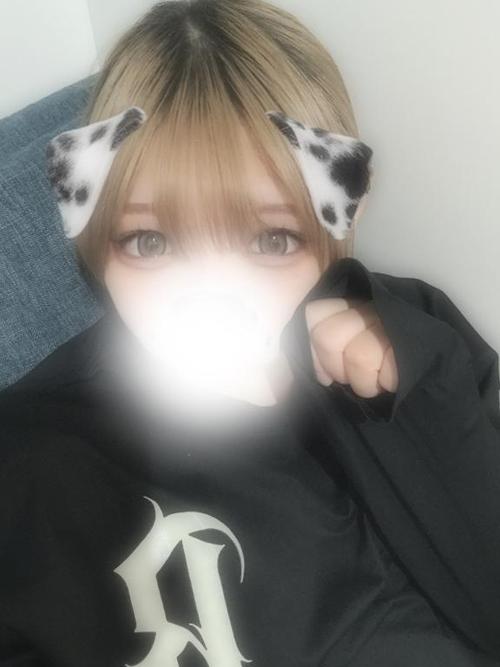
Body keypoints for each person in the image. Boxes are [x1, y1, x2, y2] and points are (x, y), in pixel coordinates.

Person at [1, 1, 499, 665]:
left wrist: (417, 399)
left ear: (347, 210)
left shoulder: (410, 334)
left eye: (270, 240)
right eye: (151, 241)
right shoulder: (34, 461)